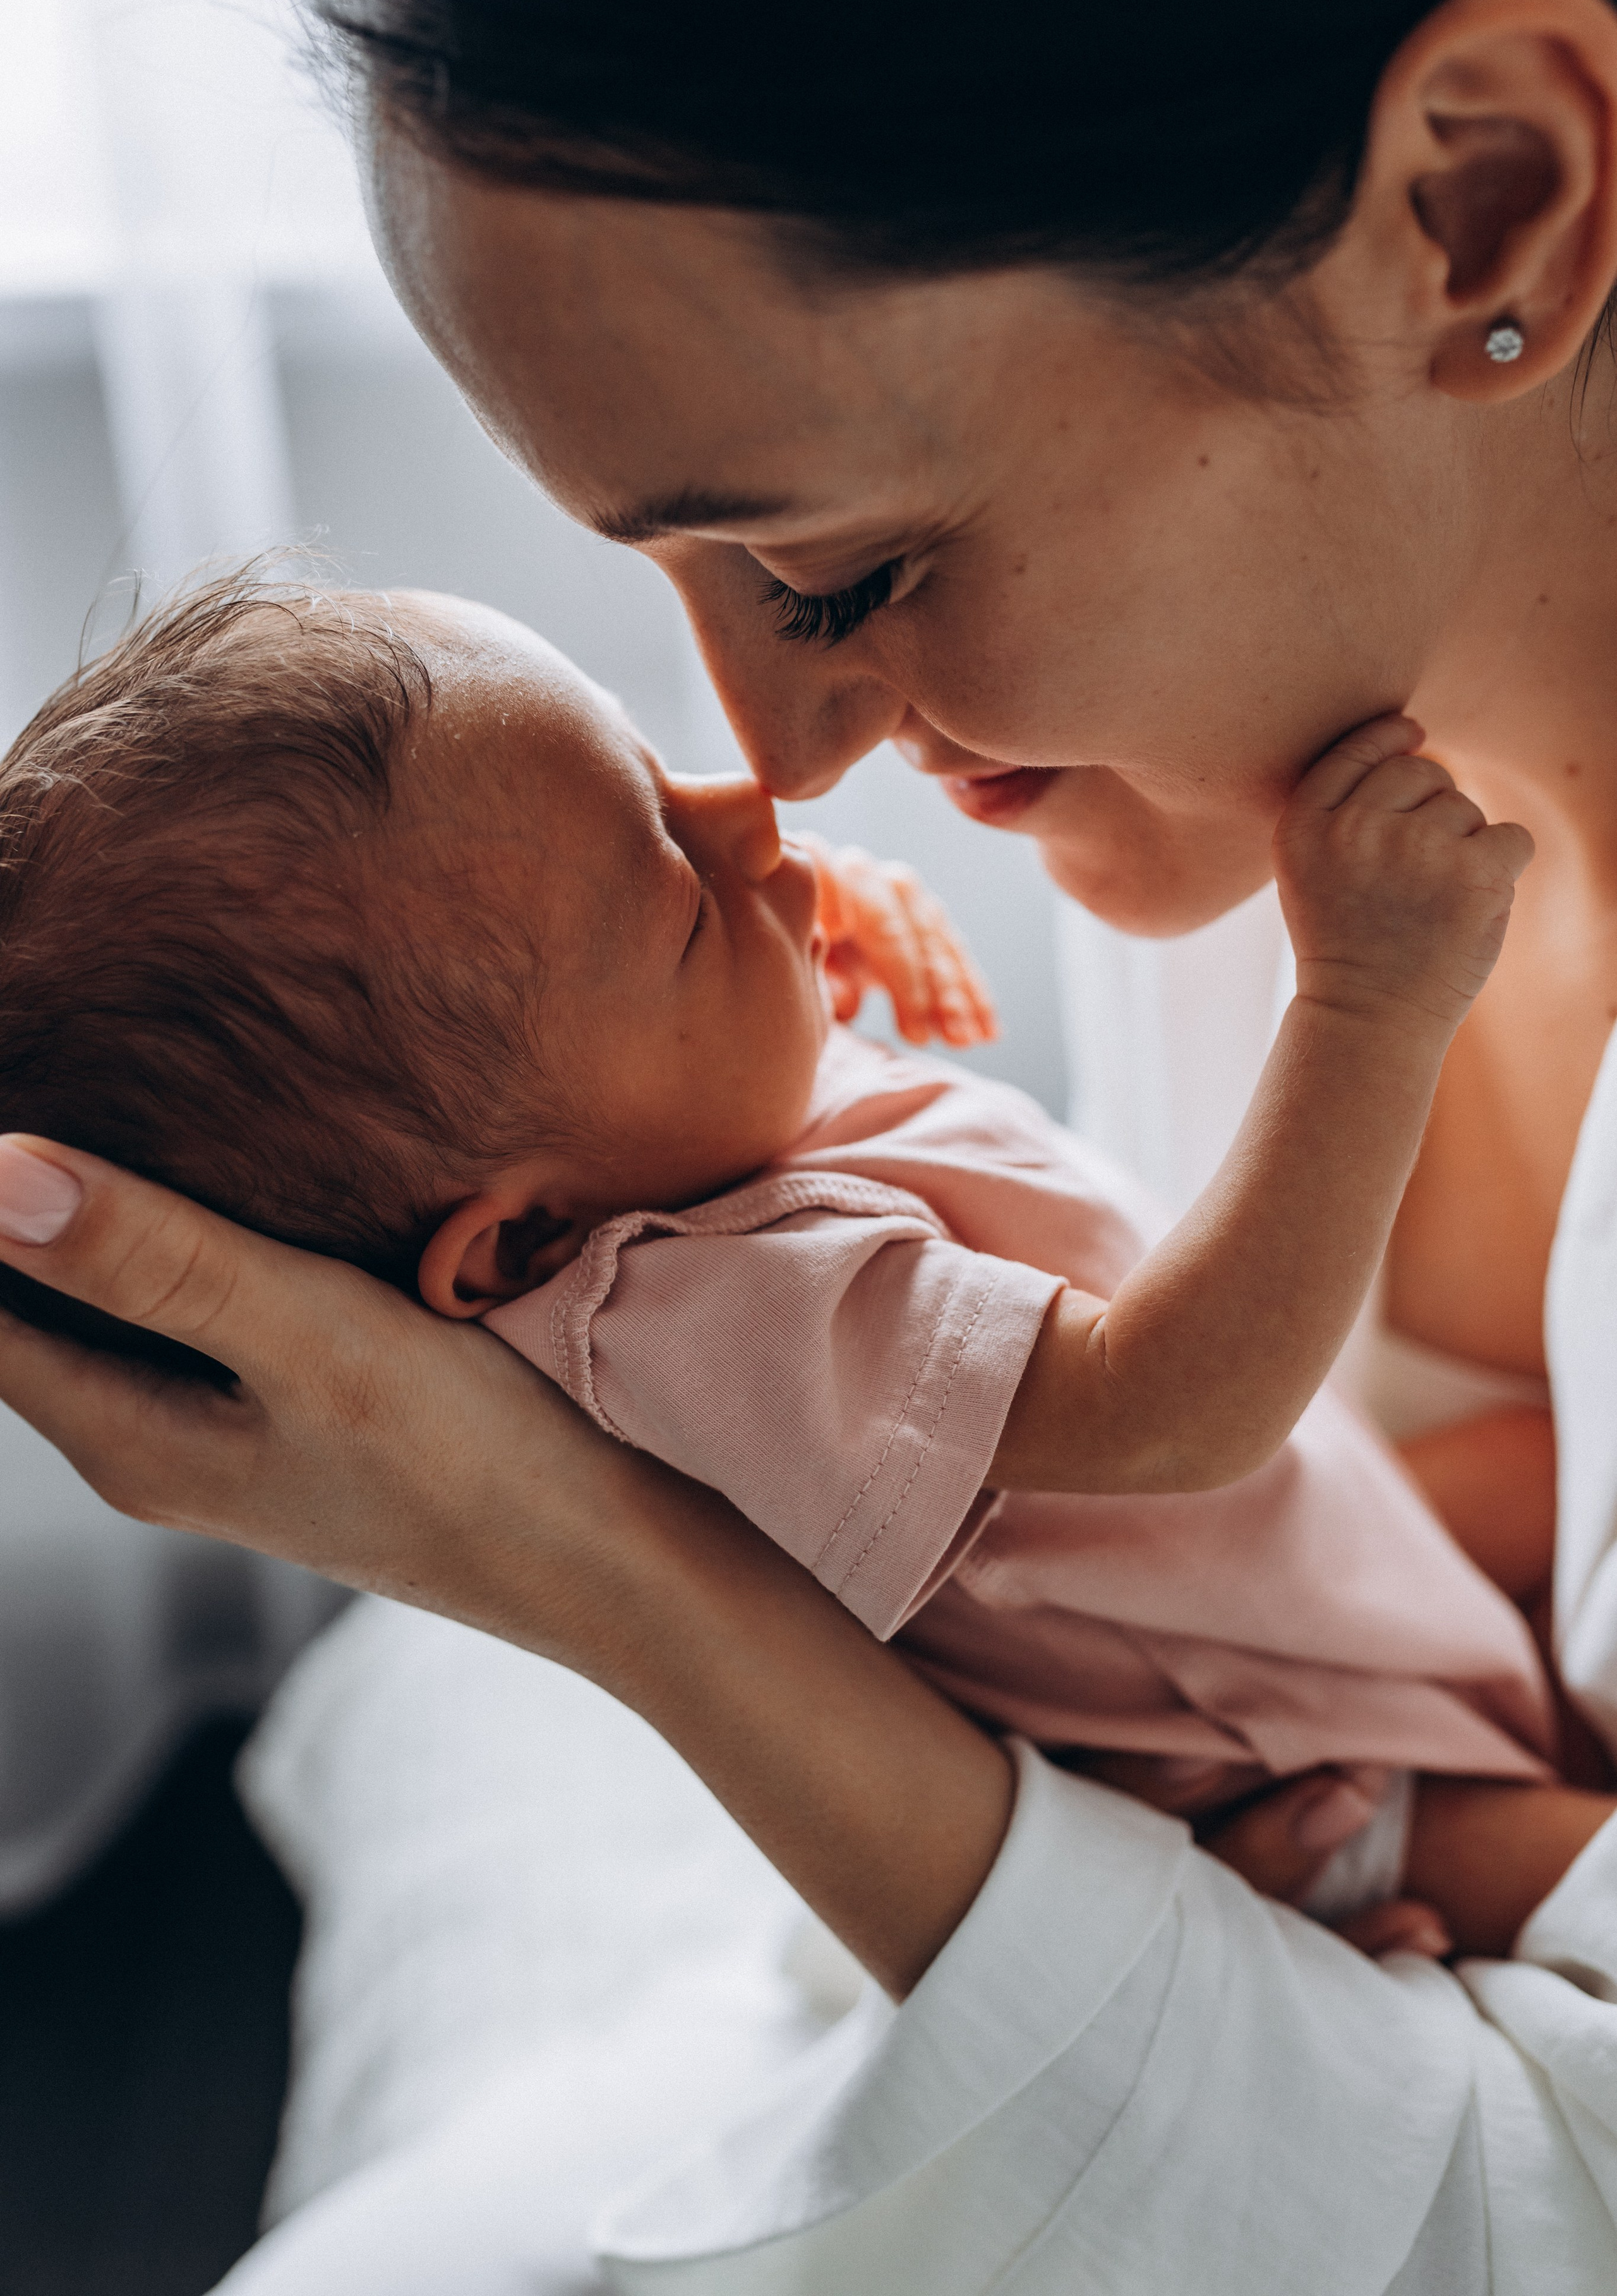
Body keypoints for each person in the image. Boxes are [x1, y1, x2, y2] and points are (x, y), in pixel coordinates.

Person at [4, 0, 1617, 2285]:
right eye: (680, 585)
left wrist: (557, 1553)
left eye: (847, 573)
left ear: (1479, 197)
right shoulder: (1274, 793)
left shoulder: (1290, 844)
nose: (783, 765)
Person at [0, 571, 1565, 1890]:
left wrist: (770, 936)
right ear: (521, 1253)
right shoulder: (716, 1315)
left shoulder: (645, 1147)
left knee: (1550, 1472)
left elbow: (689, 1061)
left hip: (1292, 1571)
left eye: (650, 773)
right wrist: (1362, 1009)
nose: (748, 806)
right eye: (675, 890)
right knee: (1572, 1856)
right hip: (1285, 1759)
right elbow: (1179, 1408)